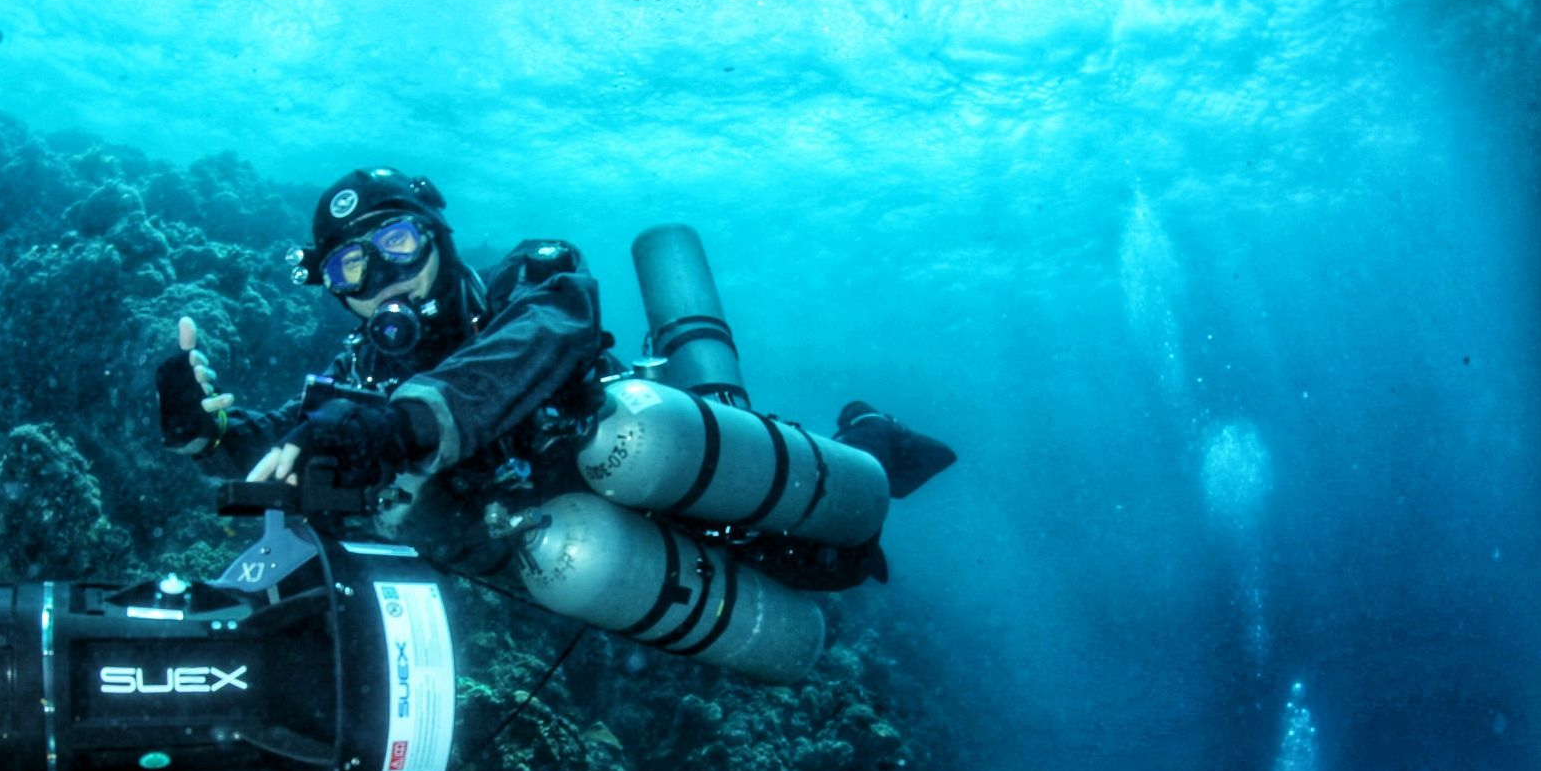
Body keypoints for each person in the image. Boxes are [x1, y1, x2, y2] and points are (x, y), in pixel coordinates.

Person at [155, 166, 953, 580]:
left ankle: (870, 438)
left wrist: (400, 424)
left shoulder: (529, 286)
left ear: (438, 236)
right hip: (576, 552)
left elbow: (551, 330)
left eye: (397, 242)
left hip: (659, 484)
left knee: (826, 566)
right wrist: (206, 432)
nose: (383, 278)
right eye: (351, 268)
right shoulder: (364, 374)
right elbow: (288, 447)